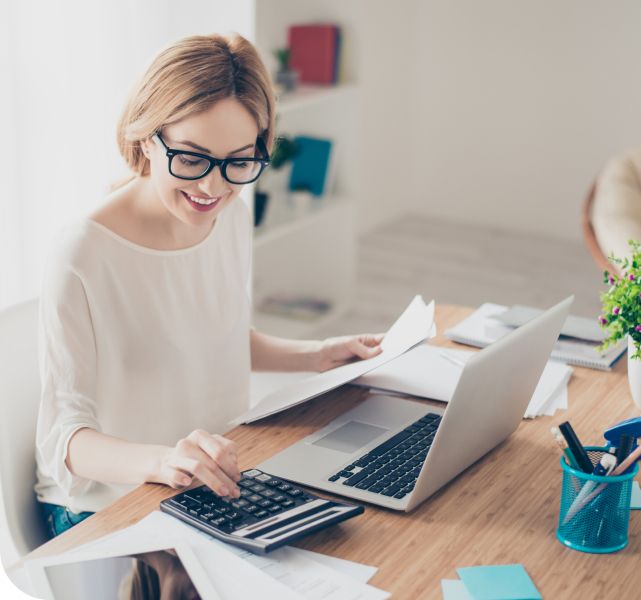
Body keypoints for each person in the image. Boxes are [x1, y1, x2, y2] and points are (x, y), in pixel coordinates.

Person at [35, 32, 383, 538]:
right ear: (147, 137)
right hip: (108, 509)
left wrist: (318, 354)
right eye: (193, 159)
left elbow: (215, 337)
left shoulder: (229, 217)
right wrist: (165, 461)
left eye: (239, 161)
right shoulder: (83, 252)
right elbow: (63, 440)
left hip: (210, 490)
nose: (212, 187)